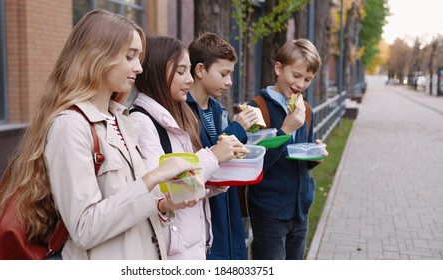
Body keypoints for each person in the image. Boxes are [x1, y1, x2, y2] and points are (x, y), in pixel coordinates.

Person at [0, 9, 202, 260]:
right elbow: (84, 228)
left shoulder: (119, 120)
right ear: (98, 56)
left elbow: (123, 208)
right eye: (130, 56)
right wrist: (154, 178)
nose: (139, 68)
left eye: (139, 57)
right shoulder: (70, 126)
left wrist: (162, 205)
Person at [129, 35, 248, 260]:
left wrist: (219, 181)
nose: (189, 80)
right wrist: (213, 156)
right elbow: (160, 192)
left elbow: (188, 185)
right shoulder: (142, 121)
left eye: (189, 71)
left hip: (194, 244)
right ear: (157, 72)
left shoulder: (178, 115)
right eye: (181, 71)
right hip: (174, 249)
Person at [246, 38, 328, 260]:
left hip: (300, 210)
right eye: (296, 76)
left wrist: (315, 153)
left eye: (308, 79)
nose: (301, 84)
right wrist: (285, 130)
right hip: (269, 212)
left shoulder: (305, 109)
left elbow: (301, 154)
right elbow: (257, 165)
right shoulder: (257, 109)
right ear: (279, 68)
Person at [186, 32, 260, 260]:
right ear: (200, 70)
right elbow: (206, 157)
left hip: (228, 208)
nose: (229, 82)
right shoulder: (184, 113)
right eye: (224, 74)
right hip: (204, 212)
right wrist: (238, 129)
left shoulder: (219, 111)